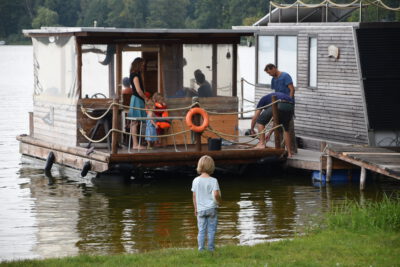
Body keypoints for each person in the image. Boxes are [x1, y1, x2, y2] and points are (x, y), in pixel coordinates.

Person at [250, 92, 295, 157]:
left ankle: (261, 144)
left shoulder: (262, 100)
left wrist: (252, 129)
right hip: (290, 106)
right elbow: (276, 122)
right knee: (286, 129)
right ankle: (289, 153)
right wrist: (269, 134)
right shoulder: (272, 99)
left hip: (279, 103)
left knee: (260, 121)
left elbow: (255, 117)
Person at [265, 63, 297, 153]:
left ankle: (292, 149)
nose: (269, 74)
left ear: (274, 68)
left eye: (270, 72)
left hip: (287, 104)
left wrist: (289, 100)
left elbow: (292, 89)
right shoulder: (273, 79)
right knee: (278, 125)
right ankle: (281, 148)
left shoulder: (285, 76)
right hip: (278, 104)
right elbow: (275, 92)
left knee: (288, 126)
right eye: (268, 73)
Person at [191, 155, 221, 252]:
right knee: (211, 230)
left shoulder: (196, 180)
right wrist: (219, 201)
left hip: (200, 209)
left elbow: (194, 196)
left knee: (201, 230)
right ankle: (211, 249)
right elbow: (216, 194)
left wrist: (195, 208)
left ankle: (201, 249)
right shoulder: (213, 180)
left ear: (199, 166)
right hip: (212, 208)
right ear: (211, 166)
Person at [128, 57, 147, 150]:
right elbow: (139, 90)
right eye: (142, 65)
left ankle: (136, 143)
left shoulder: (135, 74)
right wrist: (145, 98)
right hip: (137, 99)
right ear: (138, 65)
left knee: (135, 122)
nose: (143, 67)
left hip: (137, 99)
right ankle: (135, 144)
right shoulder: (135, 75)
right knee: (135, 122)